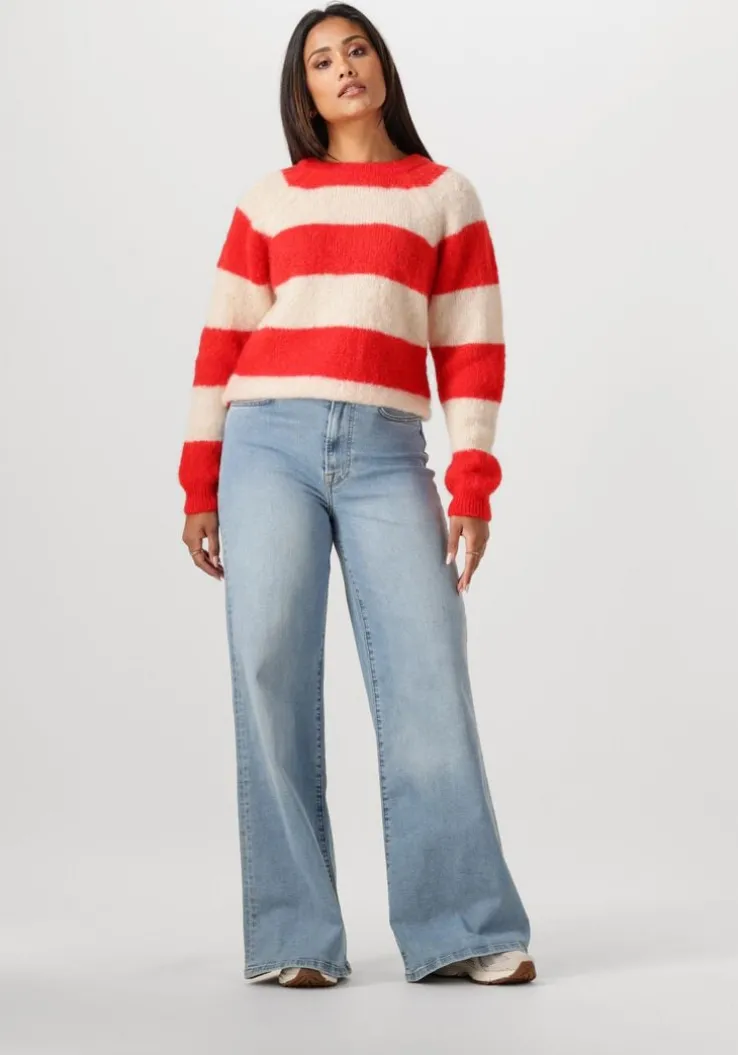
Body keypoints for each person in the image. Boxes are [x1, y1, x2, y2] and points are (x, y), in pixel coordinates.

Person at [177, 2, 536, 989]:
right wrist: (200, 476)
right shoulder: (271, 199)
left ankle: (463, 925)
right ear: (302, 90)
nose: (344, 68)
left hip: (386, 450)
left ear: (382, 66)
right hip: (266, 441)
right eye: (321, 60)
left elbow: (471, 345)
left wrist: (472, 482)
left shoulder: (442, 195)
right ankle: (295, 937)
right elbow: (221, 341)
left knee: (427, 673)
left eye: (358, 49)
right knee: (268, 668)